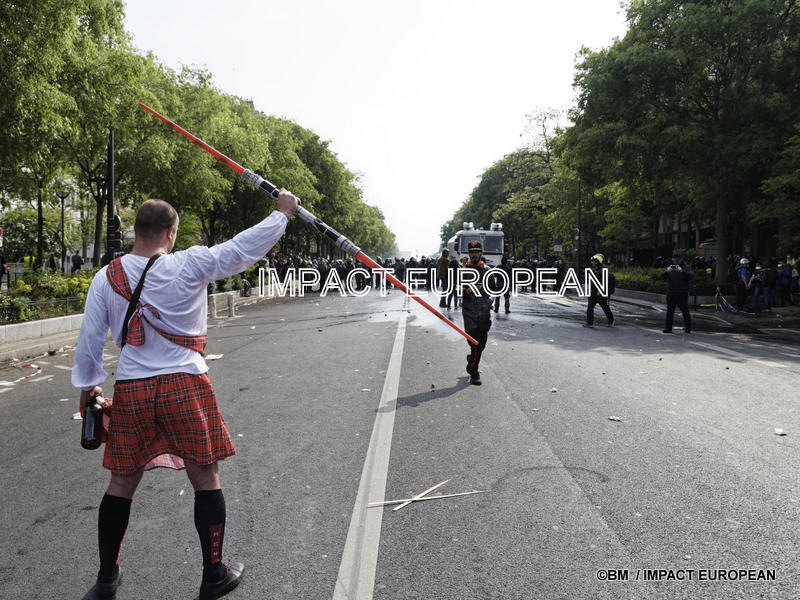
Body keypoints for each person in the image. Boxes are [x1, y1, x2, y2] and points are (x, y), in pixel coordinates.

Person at [71, 191, 300, 600]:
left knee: (121, 482)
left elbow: (90, 342)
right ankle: (213, 573)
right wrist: (281, 215)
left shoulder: (107, 277)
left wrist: (89, 390)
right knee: (204, 476)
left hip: (133, 387)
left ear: (137, 231)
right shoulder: (189, 263)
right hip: (185, 384)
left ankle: (106, 579)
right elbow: (240, 249)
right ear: (170, 232)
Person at [461, 240, 492, 385]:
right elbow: (454, 290)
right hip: (469, 313)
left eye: (476, 252)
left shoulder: (488, 270)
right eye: (472, 252)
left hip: (484, 313)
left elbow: (494, 289)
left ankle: (472, 359)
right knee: (475, 343)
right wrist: (468, 290)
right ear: (468, 254)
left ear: (481, 253)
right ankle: (474, 372)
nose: (474, 254)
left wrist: (490, 300)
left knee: (482, 345)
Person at [661, 250, 693, 333]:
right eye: (674, 260)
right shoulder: (671, 266)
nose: (676, 261)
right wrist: (666, 271)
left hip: (682, 293)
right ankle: (668, 328)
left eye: (677, 260)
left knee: (684, 310)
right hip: (671, 292)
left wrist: (682, 271)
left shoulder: (686, 266)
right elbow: (662, 276)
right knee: (670, 311)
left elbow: (690, 276)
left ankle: (688, 327)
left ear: (681, 259)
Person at [584, 253, 614, 328]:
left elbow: (605, 281)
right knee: (590, 308)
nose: (592, 262)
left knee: (605, 308)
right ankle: (589, 323)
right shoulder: (594, 269)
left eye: (593, 261)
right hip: (593, 292)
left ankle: (611, 321)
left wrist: (601, 290)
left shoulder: (603, 270)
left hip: (601, 294)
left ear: (597, 261)